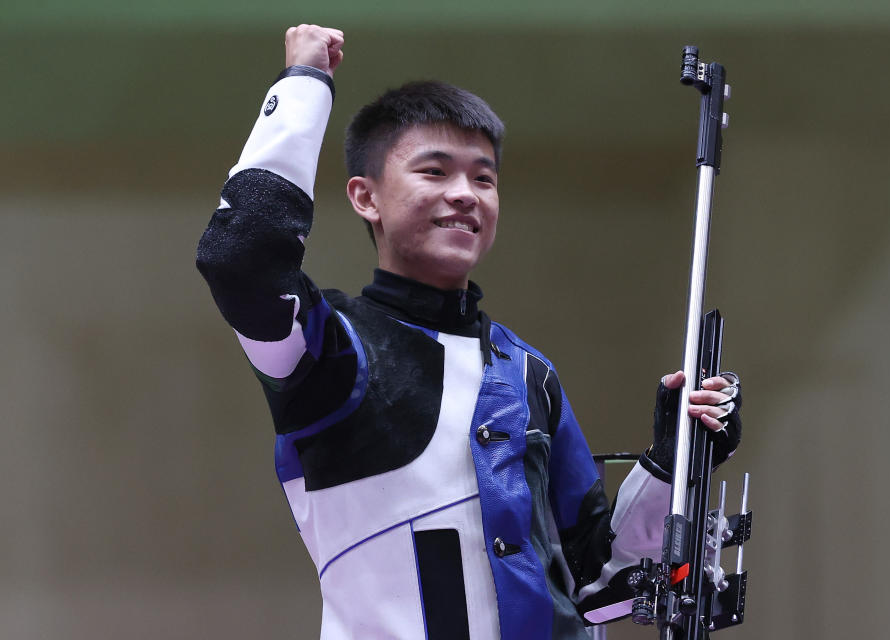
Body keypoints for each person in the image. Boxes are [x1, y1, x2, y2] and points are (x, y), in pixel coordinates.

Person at [196, 24, 742, 640]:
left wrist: (672, 463)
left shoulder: (527, 371)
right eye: (434, 172)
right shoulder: (329, 351)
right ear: (365, 197)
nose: (464, 195)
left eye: (483, 179)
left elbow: (598, 581)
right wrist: (303, 87)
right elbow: (239, 258)